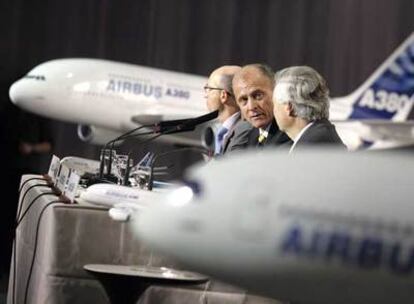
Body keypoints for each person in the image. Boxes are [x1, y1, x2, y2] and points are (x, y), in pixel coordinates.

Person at [272, 66, 346, 153]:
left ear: (289, 108)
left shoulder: (307, 149)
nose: (273, 111)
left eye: (274, 104)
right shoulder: (321, 134)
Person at [231, 64, 291, 149]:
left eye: (258, 95)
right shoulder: (251, 135)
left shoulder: (290, 134)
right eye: (244, 99)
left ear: (276, 91)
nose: (251, 107)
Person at [204, 65, 251, 155]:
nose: (205, 95)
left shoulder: (245, 132)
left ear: (223, 95)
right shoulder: (225, 130)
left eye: (208, 89)